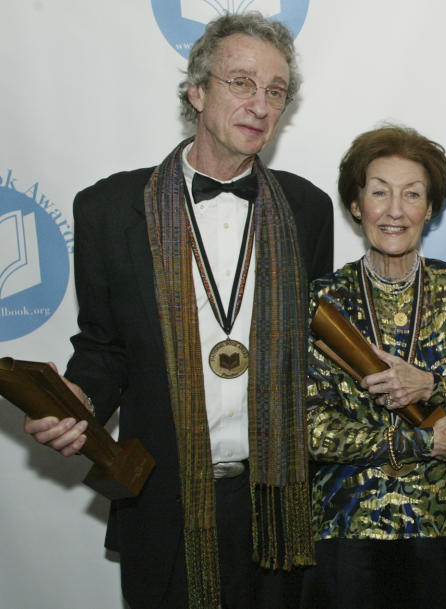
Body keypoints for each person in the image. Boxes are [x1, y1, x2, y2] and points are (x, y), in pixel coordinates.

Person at [22, 12, 333, 609]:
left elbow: (315, 351)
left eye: (275, 91)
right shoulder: (110, 209)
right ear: (196, 91)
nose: (259, 105)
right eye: (241, 82)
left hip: (278, 503)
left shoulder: (306, 209)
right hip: (161, 498)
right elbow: (103, 347)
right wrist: (78, 403)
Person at [299, 125, 446, 609]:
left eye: (412, 194)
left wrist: (432, 385)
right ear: (354, 204)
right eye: (379, 192)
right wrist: (421, 441)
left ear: (430, 209)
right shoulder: (321, 300)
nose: (394, 210)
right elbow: (311, 429)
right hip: (346, 526)